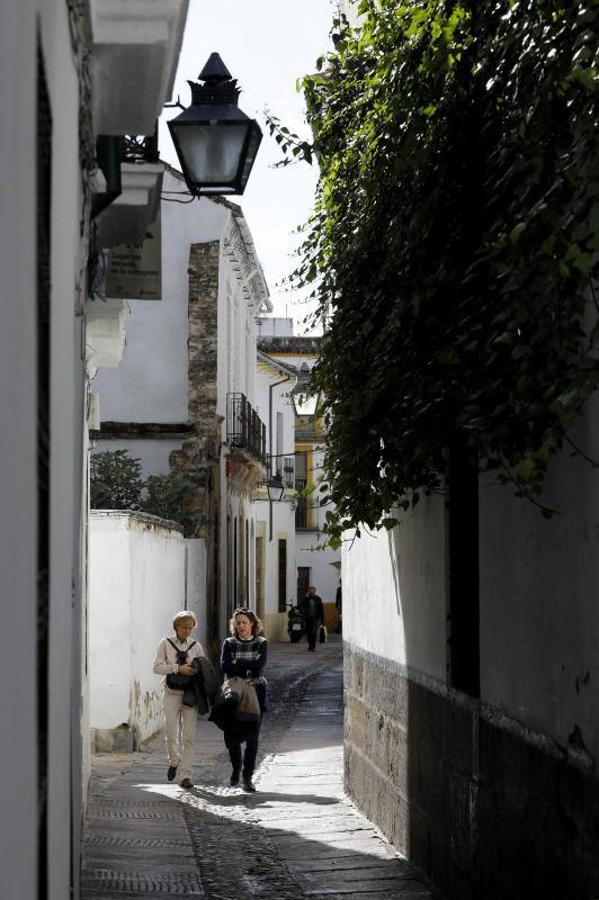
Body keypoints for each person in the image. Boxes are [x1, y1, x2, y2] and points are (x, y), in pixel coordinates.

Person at [153, 610, 206, 789]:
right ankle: (174, 761)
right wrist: (177, 668)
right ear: (176, 627)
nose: (188, 631)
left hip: (190, 694)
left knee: (189, 736)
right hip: (171, 693)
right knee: (170, 733)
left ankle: (185, 775)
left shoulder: (196, 646)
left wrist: (196, 670)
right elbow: (157, 668)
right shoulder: (165, 644)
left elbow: (204, 668)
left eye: (191, 628)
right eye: (185, 628)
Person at [219, 608, 268, 792]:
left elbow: (259, 666)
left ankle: (248, 777)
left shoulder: (261, 643)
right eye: (237, 623)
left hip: (257, 693)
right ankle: (236, 767)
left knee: (252, 738)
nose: (241, 626)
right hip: (234, 694)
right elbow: (225, 667)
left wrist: (238, 665)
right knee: (231, 736)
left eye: (244, 623)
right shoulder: (229, 643)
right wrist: (246, 667)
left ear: (252, 624)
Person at [299, 585, 324, 651]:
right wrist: (306, 597)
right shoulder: (306, 599)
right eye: (311, 591)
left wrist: (323, 620)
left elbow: (321, 609)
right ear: (309, 592)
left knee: (314, 633)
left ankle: (313, 646)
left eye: (313, 591)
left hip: (315, 619)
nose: (312, 593)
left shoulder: (318, 599)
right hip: (308, 618)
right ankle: (310, 645)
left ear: (315, 592)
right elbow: (301, 605)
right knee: (308, 633)